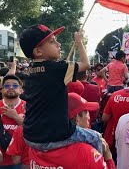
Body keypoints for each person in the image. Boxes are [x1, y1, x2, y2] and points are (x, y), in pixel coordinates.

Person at [19, 24, 102, 154]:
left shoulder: (28, 70)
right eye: (52, 42)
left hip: (30, 135)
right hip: (53, 136)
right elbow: (86, 64)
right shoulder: (58, 69)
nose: (58, 44)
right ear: (38, 52)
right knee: (96, 138)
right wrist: (79, 42)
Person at [28, 92, 115, 169]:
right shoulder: (86, 153)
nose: (89, 116)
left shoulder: (34, 146)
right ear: (77, 118)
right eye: (87, 112)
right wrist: (108, 156)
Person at [0, 75, 25, 168]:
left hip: (22, 161)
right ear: (2, 90)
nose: (11, 87)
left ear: (21, 90)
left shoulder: (29, 107)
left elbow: (35, 131)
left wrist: (16, 117)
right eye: (7, 86)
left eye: (15, 86)